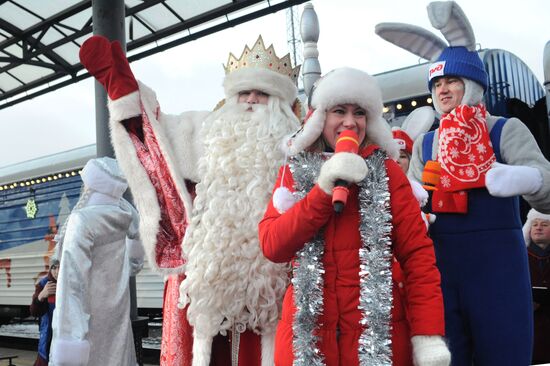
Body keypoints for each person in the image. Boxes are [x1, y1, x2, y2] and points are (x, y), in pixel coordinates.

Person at [78, 35, 301, 366]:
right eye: (244, 92)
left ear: (282, 104)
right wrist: (124, 91)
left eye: (263, 93)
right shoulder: (205, 132)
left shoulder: (298, 148)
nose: (252, 99)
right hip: (208, 287)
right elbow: (156, 149)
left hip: (274, 290)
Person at [376, 1, 550, 364]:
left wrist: (527, 178)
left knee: (504, 354)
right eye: (436, 82)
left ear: (472, 85)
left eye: (452, 80)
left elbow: (548, 186)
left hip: (498, 267)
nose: (442, 89)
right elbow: (409, 205)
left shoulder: (504, 130)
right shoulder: (426, 141)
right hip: (442, 269)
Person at [259, 67, 450, 366]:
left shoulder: (388, 174)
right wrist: (323, 191)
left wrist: (427, 336)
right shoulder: (293, 172)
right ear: (319, 117)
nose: (350, 122)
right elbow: (273, 246)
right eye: (339, 111)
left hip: (379, 343)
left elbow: (418, 258)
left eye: (359, 112)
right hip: (305, 344)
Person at [49, 157, 143, 366]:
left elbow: (72, 284)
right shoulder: (125, 216)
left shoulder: (82, 221)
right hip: (117, 321)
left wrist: (70, 340)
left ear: (92, 184)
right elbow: (134, 264)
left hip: (88, 327)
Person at [523, 209, 550, 364]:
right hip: (528, 328)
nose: (538, 228)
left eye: (544, 224)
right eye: (535, 224)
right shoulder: (519, 257)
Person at [30, 257, 59, 366]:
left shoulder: (72, 283)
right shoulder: (43, 284)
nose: (57, 272)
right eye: (54, 267)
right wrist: (41, 296)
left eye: (60, 267)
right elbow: (34, 312)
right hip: (48, 338)